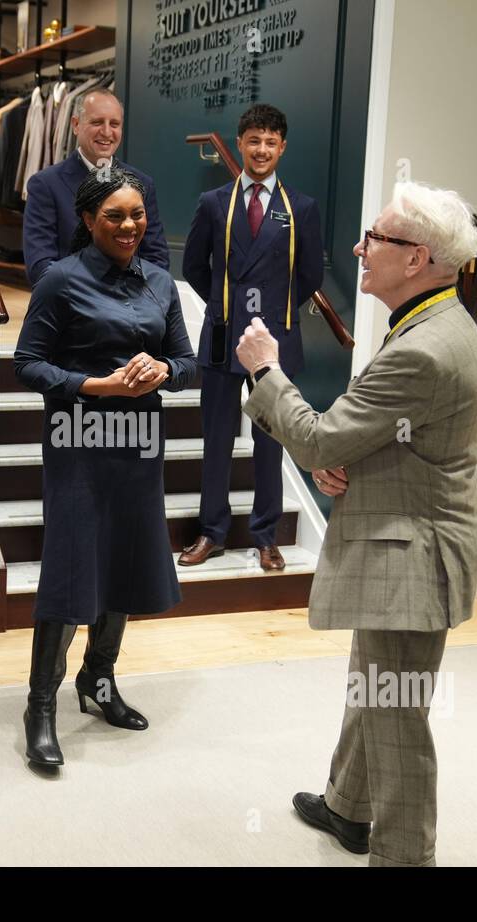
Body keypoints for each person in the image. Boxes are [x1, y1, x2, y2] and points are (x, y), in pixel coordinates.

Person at [234, 181, 477, 866]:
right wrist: (344, 461)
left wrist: (266, 373)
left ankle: (404, 856)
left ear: (418, 259)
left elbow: (318, 438)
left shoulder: (422, 348)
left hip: (413, 555)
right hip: (414, 538)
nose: (359, 247)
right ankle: (349, 807)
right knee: (374, 684)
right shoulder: (442, 321)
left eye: (376, 237)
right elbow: (387, 438)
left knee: (396, 717)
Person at [13, 166, 196, 768]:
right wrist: (97, 385)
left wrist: (164, 372)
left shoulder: (161, 283)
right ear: (88, 221)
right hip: (78, 441)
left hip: (139, 445)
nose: (128, 226)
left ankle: (99, 680)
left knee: (121, 560)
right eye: (114, 216)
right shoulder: (59, 281)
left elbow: (187, 362)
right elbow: (28, 364)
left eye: (138, 215)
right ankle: (41, 705)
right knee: (71, 570)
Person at [179, 104, 325, 572]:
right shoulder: (214, 203)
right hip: (222, 337)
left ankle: (266, 537)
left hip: (275, 341)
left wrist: (267, 317)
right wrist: (228, 308)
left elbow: (309, 275)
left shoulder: (301, 208)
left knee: (270, 444)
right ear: (239, 144)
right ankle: (212, 532)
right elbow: (193, 268)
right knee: (216, 440)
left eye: (271, 142)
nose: (261, 150)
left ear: (282, 148)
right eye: (253, 140)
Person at [22, 89, 168, 285]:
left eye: (114, 124)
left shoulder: (143, 184)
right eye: (97, 122)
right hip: (70, 308)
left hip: (131, 306)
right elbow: (40, 265)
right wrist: (95, 299)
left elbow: (157, 258)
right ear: (75, 125)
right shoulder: (45, 185)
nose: (107, 132)